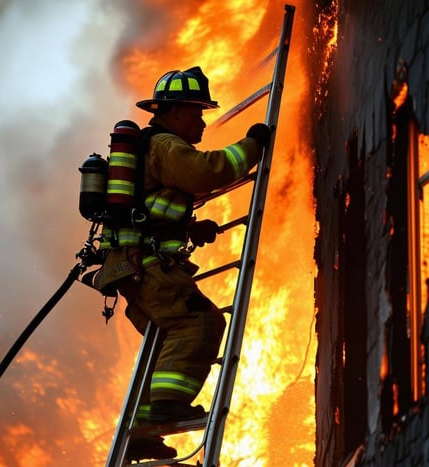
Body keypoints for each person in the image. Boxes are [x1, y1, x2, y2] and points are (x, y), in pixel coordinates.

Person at [94, 66, 271, 460]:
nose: (202, 122)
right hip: (150, 270)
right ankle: (168, 407)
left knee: (162, 348)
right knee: (200, 322)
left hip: (133, 270)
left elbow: (150, 208)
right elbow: (205, 172)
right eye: (195, 113)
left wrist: (191, 227)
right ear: (173, 112)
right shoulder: (166, 146)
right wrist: (253, 144)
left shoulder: (147, 149)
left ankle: (140, 430)